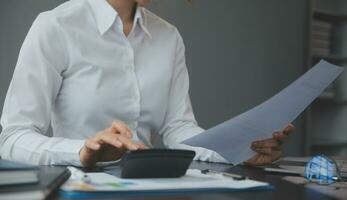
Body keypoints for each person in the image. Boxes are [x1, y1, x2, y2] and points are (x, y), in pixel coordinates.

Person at [0, 0, 294, 167]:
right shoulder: (56, 26)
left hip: (154, 188)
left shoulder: (169, 36)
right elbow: (12, 137)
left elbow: (177, 128)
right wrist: (82, 151)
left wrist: (237, 150)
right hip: (82, 190)